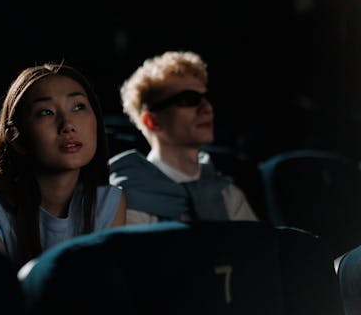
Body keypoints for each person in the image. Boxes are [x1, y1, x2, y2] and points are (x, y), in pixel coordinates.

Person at [0, 61, 127, 268]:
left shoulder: (108, 202)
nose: (68, 125)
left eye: (78, 107)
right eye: (46, 112)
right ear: (16, 138)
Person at [109, 50, 257, 224]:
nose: (207, 108)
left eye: (205, 97)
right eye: (188, 99)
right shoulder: (129, 198)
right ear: (152, 121)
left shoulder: (227, 194)